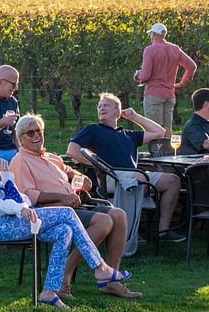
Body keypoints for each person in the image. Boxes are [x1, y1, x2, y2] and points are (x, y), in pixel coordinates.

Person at [0, 127, 134, 309]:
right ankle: (100, 268)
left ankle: (49, 291)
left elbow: (12, 196)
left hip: (6, 221)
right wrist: (19, 208)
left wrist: (6, 177)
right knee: (67, 213)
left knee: (64, 230)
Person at [10, 114, 141, 299]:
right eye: (30, 133)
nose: (36, 136)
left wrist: (80, 177)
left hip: (74, 206)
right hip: (51, 212)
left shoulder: (50, 157)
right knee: (103, 221)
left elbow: (68, 171)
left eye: (38, 131)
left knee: (119, 215)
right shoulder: (20, 160)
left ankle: (110, 280)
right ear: (20, 138)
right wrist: (62, 197)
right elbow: (29, 195)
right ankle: (65, 275)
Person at [66, 92, 186, 242]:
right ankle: (128, 232)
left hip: (134, 175)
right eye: (99, 106)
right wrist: (99, 165)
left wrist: (135, 117)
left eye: (106, 105)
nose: (101, 108)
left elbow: (159, 132)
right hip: (109, 176)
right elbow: (72, 150)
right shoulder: (93, 129)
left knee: (173, 180)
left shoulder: (128, 134)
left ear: (117, 112)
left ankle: (162, 231)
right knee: (139, 178)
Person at [133, 23, 197, 137]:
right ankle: (168, 153)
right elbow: (192, 66)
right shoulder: (175, 49)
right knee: (167, 131)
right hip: (170, 94)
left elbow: (146, 76)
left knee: (154, 131)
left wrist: (137, 76)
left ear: (153, 34)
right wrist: (181, 83)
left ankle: (157, 153)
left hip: (153, 94)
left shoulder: (150, 50)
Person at [179, 88, 209, 155]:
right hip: (193, 164)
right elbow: (206, 144)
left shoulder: (208, 123)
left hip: (206, 163)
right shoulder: (192, 125)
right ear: (206, 104)